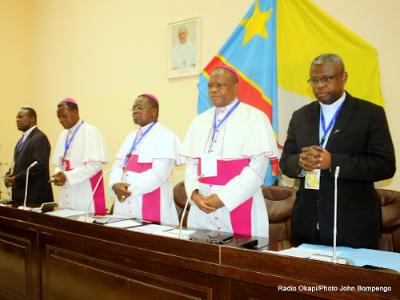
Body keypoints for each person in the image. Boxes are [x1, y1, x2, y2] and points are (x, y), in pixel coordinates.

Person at [279, 53, 396, 249]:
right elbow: (285, 162)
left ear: (344, 77)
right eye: (314, 80)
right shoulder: (300, 116)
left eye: (327, 78)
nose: (320, 85)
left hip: (352, 226)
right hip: (306, 224)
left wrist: (334, 162)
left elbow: (385, 166)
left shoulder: (370, 114)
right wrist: (300, 162)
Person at [181, 67, 279, 238]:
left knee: (240, 259)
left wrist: (223, 198)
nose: (213, 90)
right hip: (202, 207)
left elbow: (257, 169)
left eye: (220, 85)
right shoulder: (199, 121)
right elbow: (191, 164)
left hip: (239, 201)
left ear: (235, 87)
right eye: (210, 86)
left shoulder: (255, 118)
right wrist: (195, 195)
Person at [109, 94, 181, 225]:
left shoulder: (166, 136)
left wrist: (126, 189)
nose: (135, 111)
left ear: (154, 112)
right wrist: (115, 185)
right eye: (134, 108)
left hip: (151, 199)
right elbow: (118, 165)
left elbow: (159, 173)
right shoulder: (130, 137)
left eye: (140, 108)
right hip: (124, 201)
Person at [52, 98, 110, 215]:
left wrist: (67, 176)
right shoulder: (63, 135)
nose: (61, 120)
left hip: (85, 189)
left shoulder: (91, 131)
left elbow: (95, 165)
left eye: (64, 116)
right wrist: (58, 173)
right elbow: (59, 163)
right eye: (59, 117)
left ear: (75, 112)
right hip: (67, 188)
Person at [4, 107, 53, 205]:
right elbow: (17, 164)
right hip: (20, 196)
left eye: (21, 117)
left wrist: (16, 179)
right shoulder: (21, 140)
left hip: (34, 198)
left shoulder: (40, 138)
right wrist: (8, 176)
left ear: (32, 119)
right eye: (17, 118)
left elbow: (39, 166)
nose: (17, 120)